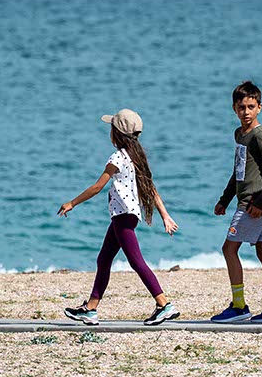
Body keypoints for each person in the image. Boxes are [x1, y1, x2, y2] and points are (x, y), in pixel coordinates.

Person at [57, 109, 180, 326]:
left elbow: (97, 187)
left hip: (123, 216)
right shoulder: (136, 157)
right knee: (103, 259)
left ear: (117, 133)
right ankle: (91, 309)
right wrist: (165, 215)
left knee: (136, 261)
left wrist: (72, 203)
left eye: (111, 128)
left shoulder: (118, 158)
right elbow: (151, 189)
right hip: (124, 216)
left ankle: (164, 304)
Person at [211, 81, 262, 323]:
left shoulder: (258, 135)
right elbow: (239, 170)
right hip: (247, 202)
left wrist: (260, 203)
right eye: (241, 107)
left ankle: (239, 306)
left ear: (259, 108)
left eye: (251, 106)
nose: (246, 111)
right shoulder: (239, 134)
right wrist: (225, 199)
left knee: (228, 249)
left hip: (253, 205)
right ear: (234, 108)